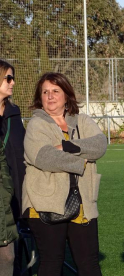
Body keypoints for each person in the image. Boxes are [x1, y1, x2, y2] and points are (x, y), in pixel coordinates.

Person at [22, 72, 107, 275]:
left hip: (83, 203)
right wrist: (81, 160)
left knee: (90, 264)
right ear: (39, 98)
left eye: (55, 91)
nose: (50, 96)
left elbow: (100, 145)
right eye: (45, 92)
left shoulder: (82, 121)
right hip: (44, 203)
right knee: (52, 263)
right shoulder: (36, 124)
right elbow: (45, 157)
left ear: (66, 95)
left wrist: (67, 146)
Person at [0, 60, 25, 276]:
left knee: (10, 256)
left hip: (12, 197)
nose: (13, 83)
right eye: (8, 78)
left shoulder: (14, 115)